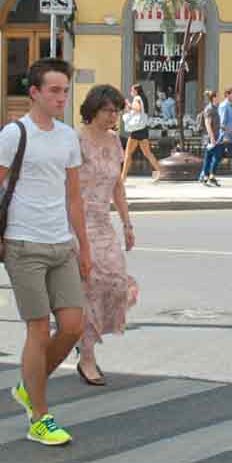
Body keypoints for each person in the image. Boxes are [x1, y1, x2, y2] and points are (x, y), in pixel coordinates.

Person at [0, 57, 92, 447]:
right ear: (35, 93)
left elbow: (74, 197)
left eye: (65, 90)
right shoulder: (14, 134)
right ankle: (39, 417)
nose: (62, 97)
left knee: (75, 326)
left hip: (61, 243)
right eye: (54, 90)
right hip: (24, 245)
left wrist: (84, 246)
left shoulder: (67, 137)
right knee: (39, 331)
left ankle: (30, 385)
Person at [75, 85, 141, 386]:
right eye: (108, 110)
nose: (114, 115)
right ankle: (86, 356)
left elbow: (117, 185)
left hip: (103, 223)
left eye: (117, 110)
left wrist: (127, 224)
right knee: (89, 287)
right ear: (94, 109)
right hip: (76, 223)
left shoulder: (115, 141)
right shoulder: (75, 140)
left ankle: (77, 337)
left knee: (114, 283)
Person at [121, 85, 160, 178]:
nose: (130, 91)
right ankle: (160, 171)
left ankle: (123, 177)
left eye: (132, 90)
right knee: (147, 153)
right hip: (143, 129)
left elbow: (137, 109)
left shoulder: (137, 98)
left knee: (127, 154)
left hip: (136, 130)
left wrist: (128, 104)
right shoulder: (143, 99)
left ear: (136, 91)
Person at [196, 90, 224, 186]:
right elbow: (208, 125)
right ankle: (210, 176)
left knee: (209, 158)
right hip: (210, 138)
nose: (219, 98)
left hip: (215, 137)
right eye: (218, 96)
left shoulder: (215, 108)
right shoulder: (209, 109)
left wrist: (221, 127)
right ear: (214, 98)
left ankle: (206, 177)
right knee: (217, 156)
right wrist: (212, 138)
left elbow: (214, 123)